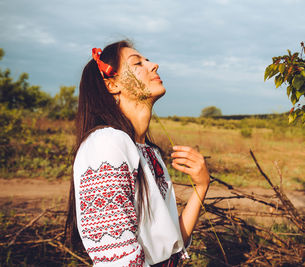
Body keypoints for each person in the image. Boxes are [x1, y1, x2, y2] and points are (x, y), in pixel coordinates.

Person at [65, 40, 211, 266]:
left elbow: (173, 242)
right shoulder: (106, 143)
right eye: (138, 64)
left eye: (148, 60)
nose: (154, 65)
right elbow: (117, 258)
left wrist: (201, 186)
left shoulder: (148, 151)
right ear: (112, 84)